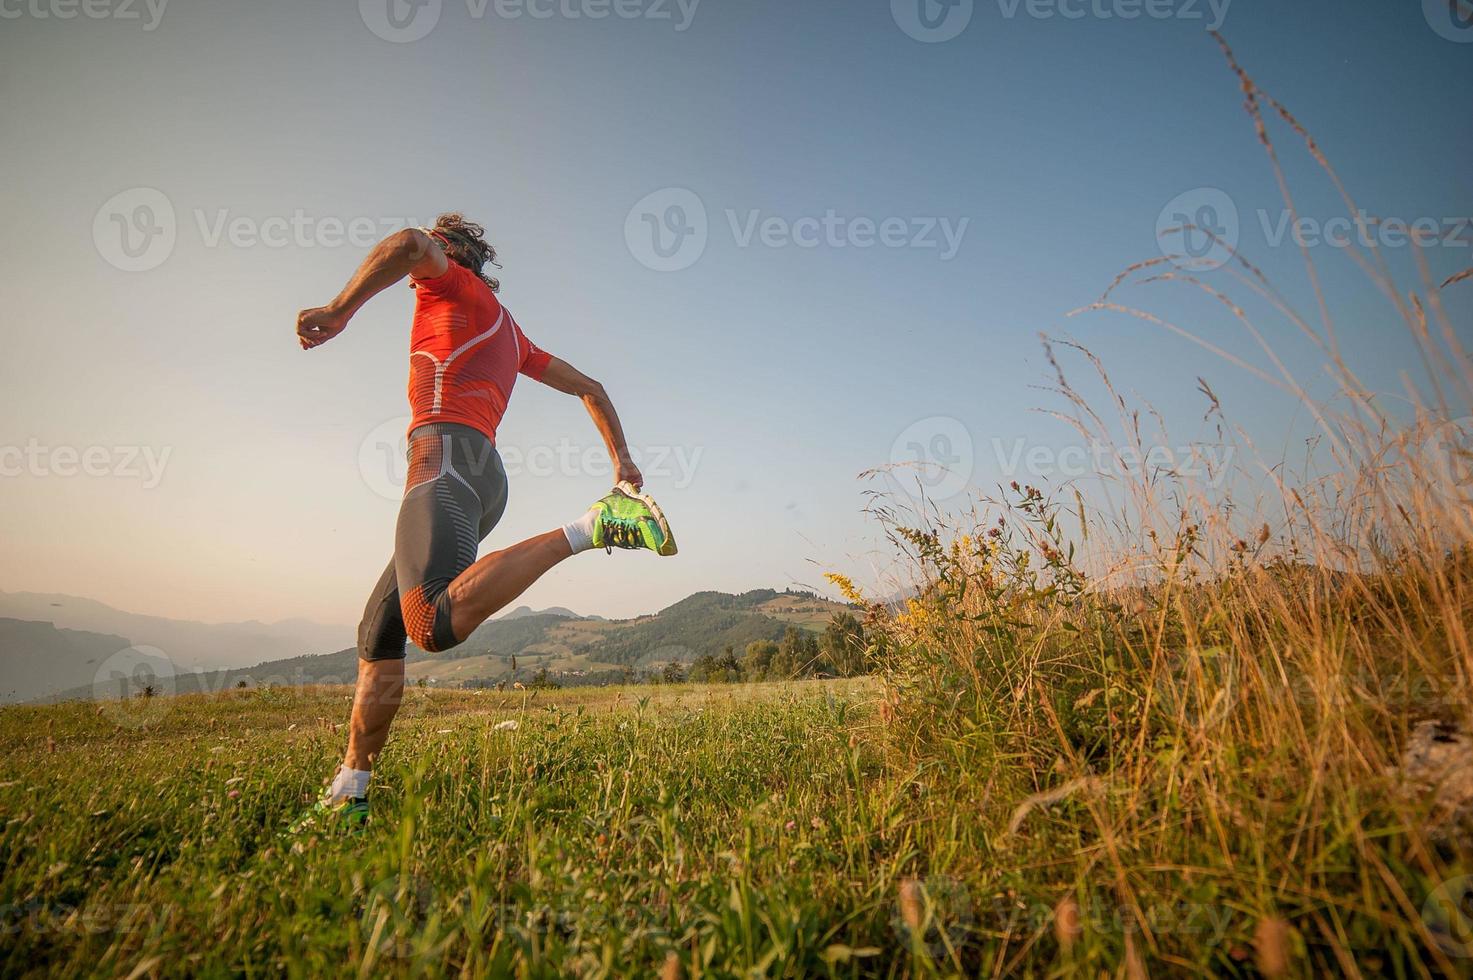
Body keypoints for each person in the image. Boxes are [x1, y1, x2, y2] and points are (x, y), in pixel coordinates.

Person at [290, 213, 676, 831]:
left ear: (451, 254)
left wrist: (339, 310)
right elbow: (592, 387)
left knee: (432, 624)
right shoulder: (512, 332)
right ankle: (350, 791)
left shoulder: (449, 282)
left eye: (433, 260)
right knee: (379, 632)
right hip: (481, 479)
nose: (418, 274)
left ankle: (593, 526)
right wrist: (622, 458)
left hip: (444, 464)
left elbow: (410, 243)